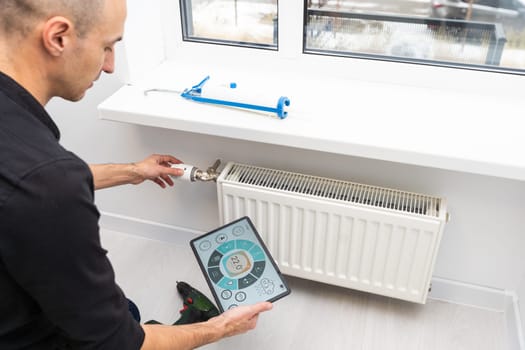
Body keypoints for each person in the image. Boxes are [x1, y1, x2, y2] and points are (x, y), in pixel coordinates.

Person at [0, 0, 273, 349]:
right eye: (107, 46)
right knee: (127, 321)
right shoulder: (49, 183)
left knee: (126, 309)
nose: (111, 66)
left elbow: (24, 181)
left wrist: (134, 171)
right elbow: (120, 345)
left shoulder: (28, 158)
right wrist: (220, 328)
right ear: (58, 37)